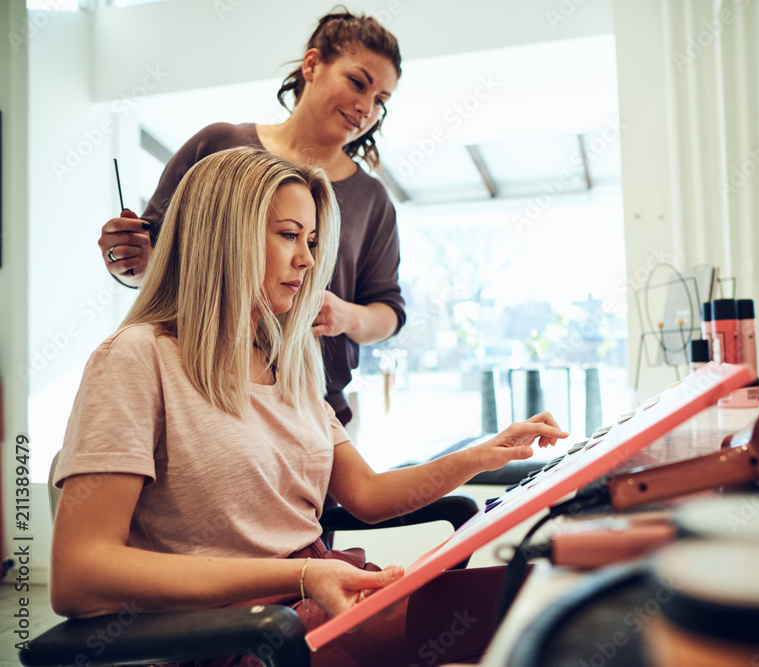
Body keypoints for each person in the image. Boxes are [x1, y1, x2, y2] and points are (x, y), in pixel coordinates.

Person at [52, 147, 567, 666]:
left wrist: (482, 456)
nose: (308, 259)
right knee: (528, 627)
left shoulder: (287, 362)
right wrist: (300, 575)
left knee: (537, 597)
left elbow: (365, 494)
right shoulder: (138, 358)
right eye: (289, 235)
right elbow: (79, 577)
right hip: (240, 633)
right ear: (224, 235)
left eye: (313, 241)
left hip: (314, 596)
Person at [97, 8, 405, 425]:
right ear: (313, 65)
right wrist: (125, 260)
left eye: (380, 101)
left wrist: (345, 315)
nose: (366, 108)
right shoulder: (220, 146)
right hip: (201, 386)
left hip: (313, 406)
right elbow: (150, 264)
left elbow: (387, 310)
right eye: (357, 83)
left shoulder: (372, 199)